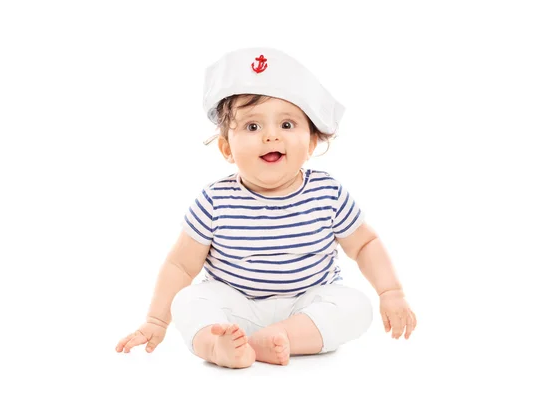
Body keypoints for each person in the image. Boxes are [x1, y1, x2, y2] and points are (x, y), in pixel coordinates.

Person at [115, 47, 417, 368]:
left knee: (356, 306)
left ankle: (280, 337)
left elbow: (365, 244)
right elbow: (181, 266)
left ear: (312, 142)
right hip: (235, 308)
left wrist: (391, 292)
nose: (271, 136)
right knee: (188, 301)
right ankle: (219, 346)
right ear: (226, 148)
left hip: (307, 306)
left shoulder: (327, 193)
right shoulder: (215, 200)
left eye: (287, 125)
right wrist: (156, 321)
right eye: (252, 127)